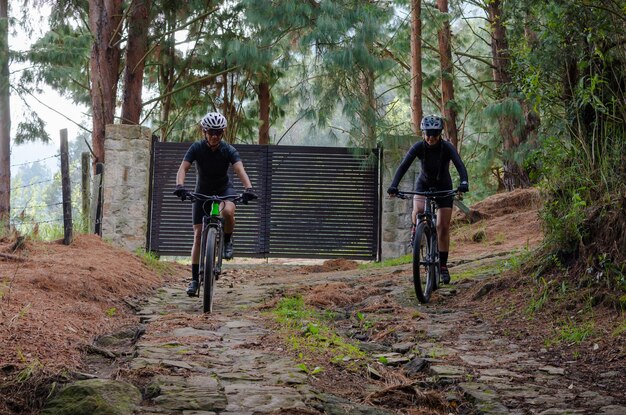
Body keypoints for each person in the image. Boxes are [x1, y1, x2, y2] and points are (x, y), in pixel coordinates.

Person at [173, 112, 257, 296]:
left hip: (224, 189)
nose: (214, 136)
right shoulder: (196, 148)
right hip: (202, 190)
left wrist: (249, 188)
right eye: (211, 132)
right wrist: (180, 185)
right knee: (197, 234)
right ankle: (195, 280)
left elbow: (239, 169)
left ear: (223, 133)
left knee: (227, 212)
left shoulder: (229, 150)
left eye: (218, 132)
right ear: (204, 131)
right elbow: (183, 168)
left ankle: (227, 241)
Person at [387, 114, 469, 284]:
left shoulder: (447, 147)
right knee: (418, 210)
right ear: (423, 133)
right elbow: (403, 166)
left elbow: (460, 165)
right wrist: (393, 185)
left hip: (444, 186)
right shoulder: (418, 147)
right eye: (427, 134)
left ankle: (443, 266)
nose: (431, 138)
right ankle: (415, 230)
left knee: (442, 226)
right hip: (423, 185)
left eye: (435, 135)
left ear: (440, 134)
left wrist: (463, 182)